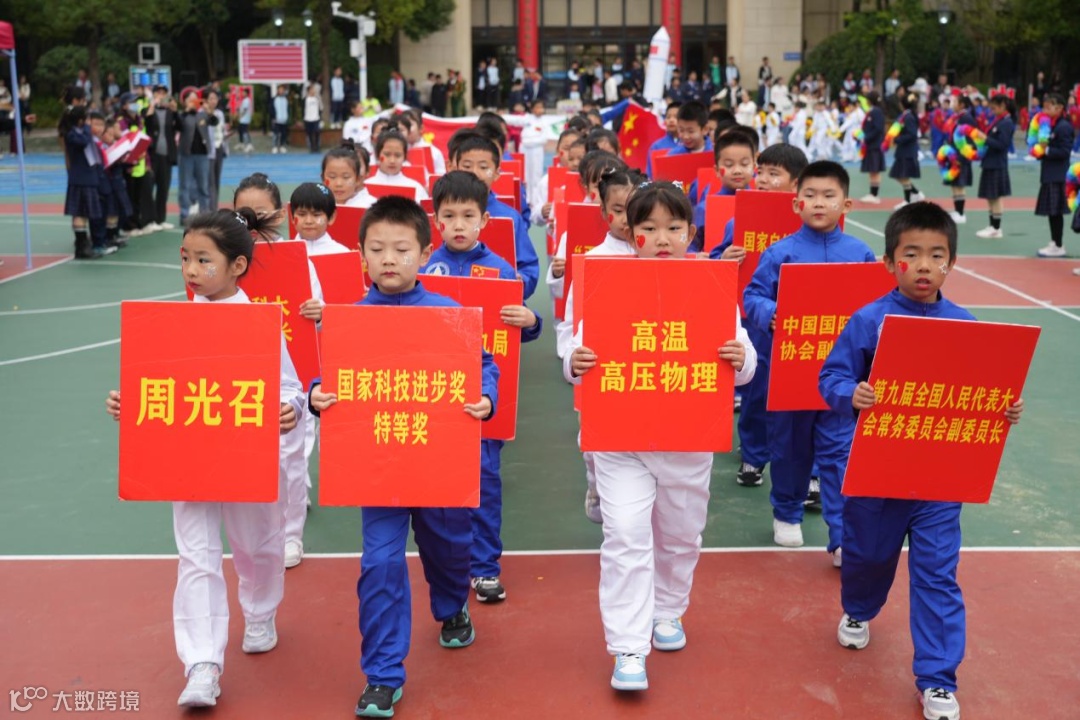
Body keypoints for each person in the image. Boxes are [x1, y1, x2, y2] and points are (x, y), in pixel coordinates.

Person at [820, 201, 1025, 720]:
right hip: (877, 472)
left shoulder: (965, 324)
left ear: (951, 263)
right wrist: (851, 394)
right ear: (891, 262)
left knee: (937, 573)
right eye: (912, 254)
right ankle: (859, 609)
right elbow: (831, 378)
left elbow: (982, 390)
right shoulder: (869, 321)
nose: (925, 266)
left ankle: (937, 678)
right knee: (868, 557)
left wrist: (1004, 408)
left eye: (937, 255)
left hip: (938, 478)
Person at [104, 207, 304, 708]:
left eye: (202, 259)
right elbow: (159, 386)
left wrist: (291, 408)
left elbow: (291, 388)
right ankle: (202, 663)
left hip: (247, 455)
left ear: (237, 266)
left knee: (257, 544)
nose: (191, 270)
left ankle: (260, 611)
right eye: (185, 258)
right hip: (188, 457)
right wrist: (130, 402)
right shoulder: (173, 323)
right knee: (196, 555)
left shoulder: (259, 322)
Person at [308, 196, 498, 717]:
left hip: (438, 462)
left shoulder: (449, 312)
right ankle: (382, 674)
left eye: (401, 249)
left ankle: (451, 605)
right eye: (377, 249)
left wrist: (486, 396)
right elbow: (326, 376)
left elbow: (484, 365)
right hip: (379, 468)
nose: (388, 259)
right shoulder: (348, 319)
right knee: (380, 563)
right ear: (361, 256)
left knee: (449, 547)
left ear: (425, 252)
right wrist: (316, 394)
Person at [565, 181, 756, 692]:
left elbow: (743, 358)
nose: (663, 237)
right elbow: (578, 348)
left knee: (680, 534)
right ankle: (628, 647)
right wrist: (574, 362)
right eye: (649, 228)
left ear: (691, 233)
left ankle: (667, 609)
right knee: (625, 535)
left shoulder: (711, 284)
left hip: (687, 439)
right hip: (621, 440)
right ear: (633, 235)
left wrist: (741, 360)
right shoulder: (609, 281)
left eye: (674, 228)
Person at [743, 161, 877, 555]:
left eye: (829, 196)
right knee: (790, 449)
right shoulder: (780, 253)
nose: (819, 203)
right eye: (811, 195)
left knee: (838, 456)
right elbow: (753, 296)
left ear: (846, 204)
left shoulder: (860, 253)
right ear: (796, 203)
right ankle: (787, 513)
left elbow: (875, 304)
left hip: (842, 379)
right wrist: (771, 313)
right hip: (791, 373)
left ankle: (841, 537)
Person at [422, 172, 542, 601]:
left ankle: (485, 566)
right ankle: (449, 564)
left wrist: (531, 321)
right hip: (434, 396)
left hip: (483, 398)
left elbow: (517, 328)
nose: (458, 224)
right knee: (440, 487)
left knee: (485, 483)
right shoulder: (424, 269)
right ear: (436, 220)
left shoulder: (500, 270)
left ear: (484, 220)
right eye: (449, 215)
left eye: (468, 216)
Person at [708, 144, 808, 488]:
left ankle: (810, 471)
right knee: (756, 392)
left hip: (804, 326)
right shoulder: (739, 221)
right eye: (761, 171)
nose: (762, 179)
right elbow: (714, 262)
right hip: (755, 322)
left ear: (796, 184)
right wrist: (724, 258)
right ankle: (753, 455)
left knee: (805, 398)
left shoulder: (810, 225)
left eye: (773, 174)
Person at [449, 132, 539, 299]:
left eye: (484, 167)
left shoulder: (510, 217)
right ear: (455, 168)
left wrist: (521, 281)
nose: (474, 173)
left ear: (497, 173)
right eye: (467, 166)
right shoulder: (439, 213)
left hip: (498, 301)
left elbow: (528, 266)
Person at [690, 129, 757, 251]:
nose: (737, 171)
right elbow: (690, 245)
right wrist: (697, 255)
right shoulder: (704, 208)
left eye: (744, 164)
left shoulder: (763, 206)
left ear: (754, 167)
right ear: (716, 171)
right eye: (729, 165)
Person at [1033, 93, 1075, 257]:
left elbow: (1064, 151)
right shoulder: (1051, 124)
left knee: (1056, 211)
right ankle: (1055, 241)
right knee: (1052, 211)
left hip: (1058, 175)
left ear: (1059, 108)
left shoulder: (1063, 127)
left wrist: (1046, 150)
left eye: (1049, 106)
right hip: (1050, 172)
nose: (1045, 109)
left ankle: (1058, 245)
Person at [974, 95, 1015, 239]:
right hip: (990, 162)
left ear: (1003, 105)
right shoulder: (998, 120)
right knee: (990, 197)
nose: (992, 109)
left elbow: (1003, 144)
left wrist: (985, 138)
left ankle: (996, 228)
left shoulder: (1006, 122)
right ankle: (992, 225)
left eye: (994, 107)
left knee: (996, 197)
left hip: (997, 163)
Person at [176, 89, 216, 226]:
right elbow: (178, 125)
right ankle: (184, 214)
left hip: (202, 155)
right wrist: (186, 110)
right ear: (185, 101)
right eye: (191, 99)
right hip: (186, 155)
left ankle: (204, 213)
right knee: (185, 186)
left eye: (195, 99)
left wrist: (208, 110)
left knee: (203, 186)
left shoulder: (203, 114)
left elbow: (214, 121)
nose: (194, 101)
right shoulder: (182, 115)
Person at [146, 85, 178, 231]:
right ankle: (150, 219)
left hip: (166, 156)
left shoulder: (170, 112)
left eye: (164, 93)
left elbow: (180, 126)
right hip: (152, 155)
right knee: (149, 187)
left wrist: (175, 110)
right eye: (158, 93)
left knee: (163, 188)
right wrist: (152, 105)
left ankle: (161, 219)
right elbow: (146, 122)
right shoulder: (148, 110)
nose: (161, 95)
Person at [369, 128, 430, 202]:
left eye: (397, 155)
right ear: (377, 155)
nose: (392, 161)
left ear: (404, 157)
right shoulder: (366, 186)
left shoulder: (416, 188)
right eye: (387, 154)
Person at [889, 93, 925, 209]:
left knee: (903, 175)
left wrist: (897, 139)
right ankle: (915, 193)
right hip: (903, 150)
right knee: (898, 175)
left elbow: (912, 134)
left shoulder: (908, 117)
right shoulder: (905, 116)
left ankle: (908, 200)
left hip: (907, 151)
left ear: (902, 104)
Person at [323, 141, 375, 209]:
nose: (338, 184)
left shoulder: (371, 206)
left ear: (358, 179)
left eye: (346, 177)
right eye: (332, 177)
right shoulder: (318, 205)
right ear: (323, 178)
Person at [857, 91, 887, 204]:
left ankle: (875, 195)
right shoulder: (873, 111)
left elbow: (878, 129)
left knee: (875, 170)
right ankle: (872, 193)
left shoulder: (876, 112)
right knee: (872, 170)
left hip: (875, 145)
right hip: (871, 145)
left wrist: (866, 138)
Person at [204, 90, 228, 212]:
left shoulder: (220, 113)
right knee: (210, 180)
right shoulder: (203, 114)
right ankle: (211, 208)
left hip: (219, 148)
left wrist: (226, 139)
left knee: (217, 179)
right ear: (206, 100)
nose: (213, 101)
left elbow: (222, 130)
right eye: (211, 98)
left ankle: (214, 206)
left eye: (215, 98)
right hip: (208, 150)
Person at [645, 102, 681, 178]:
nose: (671, 120)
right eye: (668, 117)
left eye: (676, 117)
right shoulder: (656, 146)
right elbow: (650, 175)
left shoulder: (689, 144)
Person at [304, 84, 322, 153]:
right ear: (308, 91)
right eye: (311, 90)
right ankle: (312, 146)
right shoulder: (306, 99)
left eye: (313, 90)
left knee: (317, 132)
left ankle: (317, 146)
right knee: (310, 133)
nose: (313, 91)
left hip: (316, 118)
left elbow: (320, 108)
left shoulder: (317, 99)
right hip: (308, 119)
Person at [271, 85, 290, 154]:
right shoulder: (274, 99)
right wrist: (273, 117)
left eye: (282, 90)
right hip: (276, 119)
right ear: (278, 90)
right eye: (280, 89)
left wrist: (287, 117)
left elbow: (287, 109)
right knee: (275, 134)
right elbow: (271, 109)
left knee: (283, 134)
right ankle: (275, 146)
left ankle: (282, 146)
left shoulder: (286, 99)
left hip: (284, 119)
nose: (281, 91)